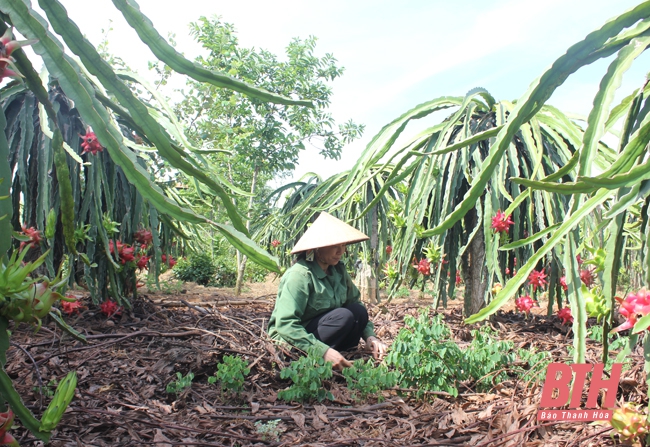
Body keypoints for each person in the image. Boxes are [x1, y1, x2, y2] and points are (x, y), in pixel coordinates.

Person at [267, 212, 388, 370]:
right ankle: (314, 358)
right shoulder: (299, 275)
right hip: (295, 340)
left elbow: (354, 302)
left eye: (343, 245)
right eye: (334, 246)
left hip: (327, 330)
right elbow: (285, 325)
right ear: (318, 248)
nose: (341, 251)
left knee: (358, 311)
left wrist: (370, 336)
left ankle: (338, 354)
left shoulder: (338, 271)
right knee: (343, 316)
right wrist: (321, 351)